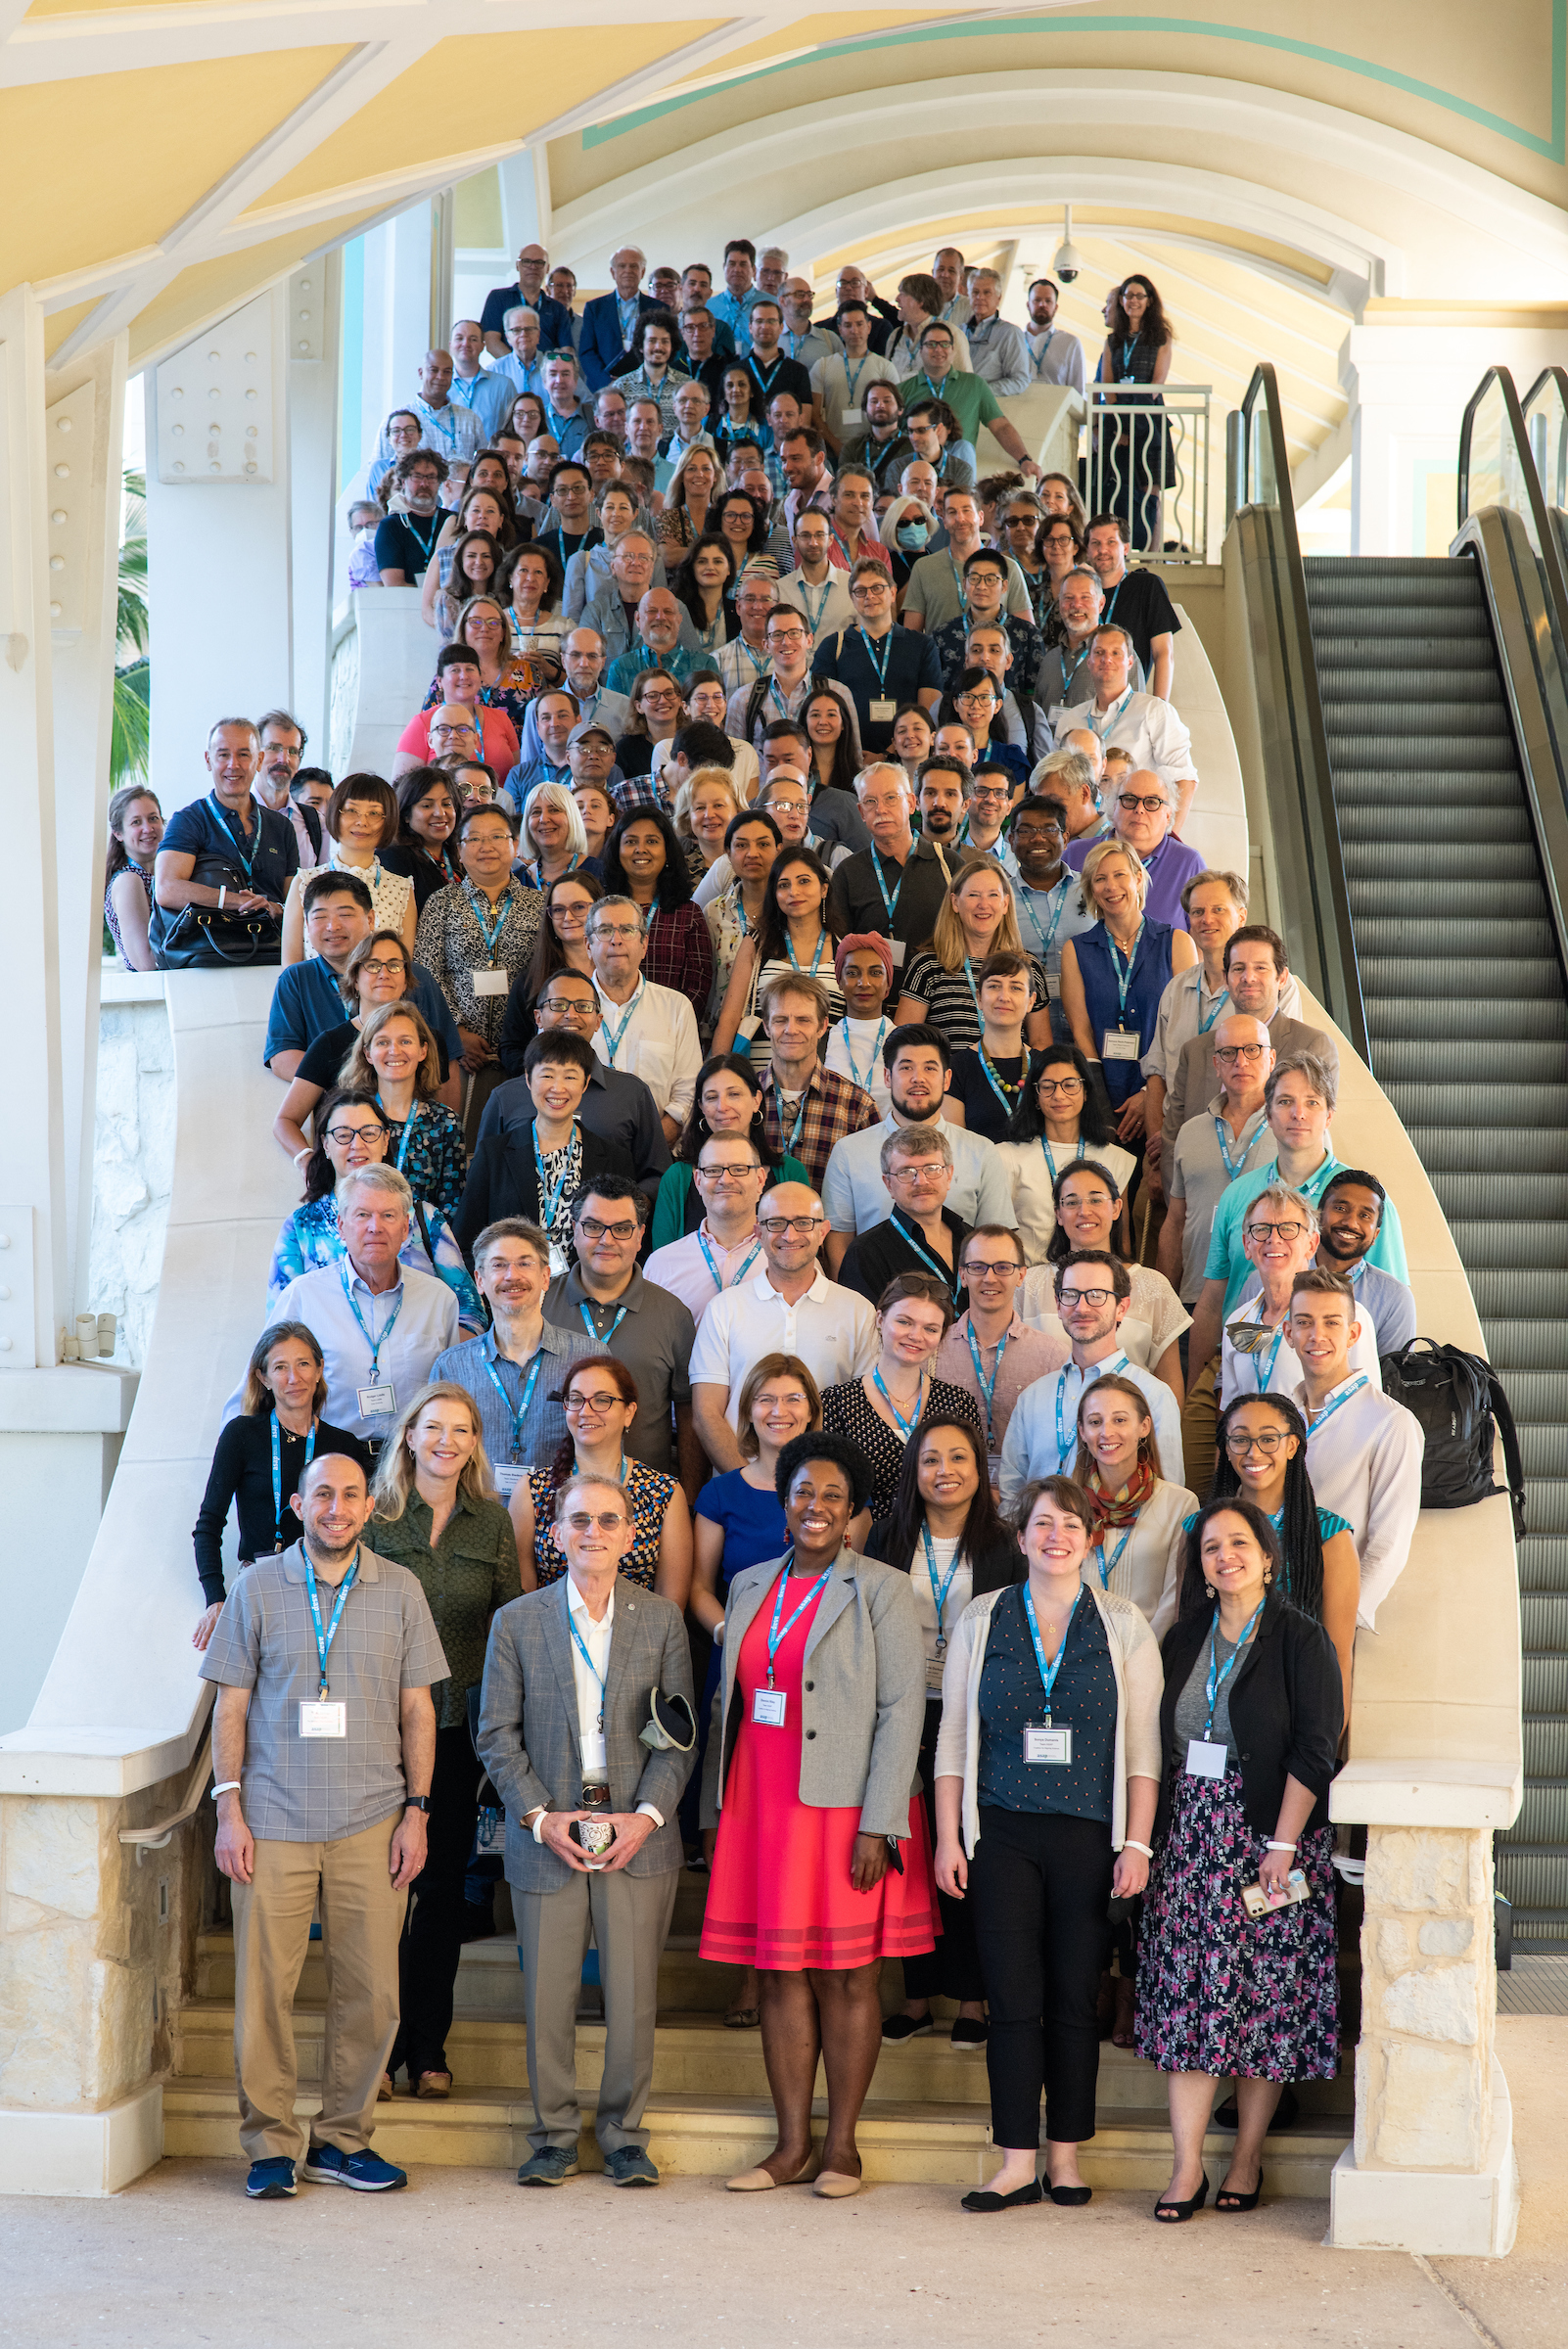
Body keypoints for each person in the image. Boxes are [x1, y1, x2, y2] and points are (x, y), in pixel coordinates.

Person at [200, 1450, 446, 2198]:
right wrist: (228, 1809)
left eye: (350, 1495)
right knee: (263, 1993)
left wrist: (417, 1813)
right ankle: (270, 2146)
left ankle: (342, 2141)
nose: (337, 1508)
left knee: (372, 1992)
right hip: (271, 1820)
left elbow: (418, 1711)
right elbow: (230, 1708)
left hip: (372, 1821)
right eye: (323, 1495)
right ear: (298, 1506)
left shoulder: (401, 1590)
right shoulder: (256, 1588)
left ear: (370, 1507)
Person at [701, 1432, 932, 2195]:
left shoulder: (882, 1589)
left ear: (855, 1509)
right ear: (783, 1500)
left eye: (834, 1495)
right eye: (804, 1492)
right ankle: (790, 2146)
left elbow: (902, 1712)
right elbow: (733, 1703)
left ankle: (841, 2148)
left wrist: (880, 1823)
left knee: (848, 1978)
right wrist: (715, 1807)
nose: (817, 1506)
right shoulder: (748, 1584)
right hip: (761, 1806)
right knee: (776, 1977)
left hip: (844, 1809)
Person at [931, 1472, 1162, 2210]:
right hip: (1000, 1834)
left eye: (1070, 1524)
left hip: (1090, 1839)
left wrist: (1138, 1845)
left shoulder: (1123, 1623)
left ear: (1091, 1540)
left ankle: (1065, 2158)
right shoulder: (983, 1617)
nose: (1056, 1536)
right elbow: (952, 1739)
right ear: (1021, 1536)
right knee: (1011, 1999)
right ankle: (1014, 2162)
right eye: (1042, 1524)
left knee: (1072, 1999)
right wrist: (947, 1838)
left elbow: (1143, 1751)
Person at [476, 1467, 696, 2189]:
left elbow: (681, 1734)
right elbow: (496, 1735)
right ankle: (553, 2138)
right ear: (555, 1533)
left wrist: (646, 1817)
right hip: (549, 1831)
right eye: (579, 1519)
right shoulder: (518, 1621)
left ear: (630, 1536)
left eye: (607, 1520)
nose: (592, 1532)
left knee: (631, 1998)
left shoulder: (660, 1620)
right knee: (548, 1998)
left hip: (636, 1832)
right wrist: (541, 1818)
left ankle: (625, 2137)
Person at [1136, 1497, 1342, 2220]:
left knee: (1264, 2007)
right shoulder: (1183, 1637)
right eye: (1211, 1547)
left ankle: (1247, 2158)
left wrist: (1282, 1844)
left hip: (1269, 1844)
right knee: (1189, 2004)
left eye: (1239, 1543)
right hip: (1190, 1844)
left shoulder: (1300, 1638)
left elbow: (1316, 1747)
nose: (1225, 1556)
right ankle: (1186, 2168)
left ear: (1267, 1557)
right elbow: (1157, 1739)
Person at [368, 1384, 520, 2097]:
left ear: (474, 1443)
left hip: (457, 1733)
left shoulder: (491, 1524)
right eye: (433, 1427)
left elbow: (509, 1626)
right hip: (375, 1734)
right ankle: (377, 2049)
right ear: (409, 1435)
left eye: (461, 1430)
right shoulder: (374, 1517)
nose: (446, 1441)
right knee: (376, 1896)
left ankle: (427, 2048)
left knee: (436, 1893)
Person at [865, 1416, 1020, 2049]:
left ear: (980, 1470)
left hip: (974, 1716)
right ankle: (917, 1996)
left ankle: (972, 1999)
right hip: (900, 1713)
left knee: (967, 1852)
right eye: (931, 1459)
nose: (945, 1470)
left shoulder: (1004, 1544)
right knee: (910, 1854)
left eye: (959, 1457)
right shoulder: (886, 1536)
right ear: (913, 1470)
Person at [1189, 1053, 1410, 1370]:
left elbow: (1388, 1298)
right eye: (1285, 1102)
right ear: (1267, 1114)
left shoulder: (1363, 1204)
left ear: (1329, 1115)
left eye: (1312, 1102)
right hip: (1243, 1366)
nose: (1298, 1114)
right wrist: (1198, 1385)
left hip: (1333, 1374)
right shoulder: (1237, 1194)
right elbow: (1212, 1302)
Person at [192, 1323, 370, 1649]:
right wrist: (215, 1598)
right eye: (280, 1367)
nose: (293, 1378)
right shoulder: (242, 1435)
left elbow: (360, 1529)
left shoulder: (344, 1445)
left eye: (303, 1364)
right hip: (260, 1587)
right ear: (263, 1378)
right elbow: (208, 1524)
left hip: (329, 1590)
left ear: (319, 1369)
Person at [267, 1165, 460, 1447]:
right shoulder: (303, 1297)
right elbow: (264, 1384)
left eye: (388, 1215)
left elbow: (454, 1394)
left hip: (412, 1458)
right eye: (362, 1215)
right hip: (330, 1458)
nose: (375, 1227)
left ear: (405, 1228)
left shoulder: (439, 1300)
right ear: (341, 1226)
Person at [690, 1184, 878, 1467]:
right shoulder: (723, 1308)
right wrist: (747, 1483)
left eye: (803, 1223)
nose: (790, 1235)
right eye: (776, 1223)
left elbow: (865, 1414)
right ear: (759, 1232)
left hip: (827, 1483)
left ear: (823, 1232)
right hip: (740, 1478)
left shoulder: (859, 1311)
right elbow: (706, 1414)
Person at [267, 1088, 481, 1330]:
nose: (357, 1145)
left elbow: (470, 1313)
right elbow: (280, 1329)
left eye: (369, 1133)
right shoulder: (301, 1227)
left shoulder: (425, 1218)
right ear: (325, 1144)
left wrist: (435, 1352)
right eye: (343, 1135)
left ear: (385, 1140)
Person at [1201, 1394, 1360, 1706]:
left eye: (1268, 1439)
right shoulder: (1199, 1528)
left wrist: (1329, 1734)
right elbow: (1186, 1636)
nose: (1253, 1452)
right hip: (1209, 1703)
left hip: (1292, 1706)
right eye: (1240, 1440)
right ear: (1227, 1449)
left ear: (1292, 1446)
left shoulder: (1329, 1534)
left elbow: (1339, 1658)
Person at [1286, 1269, 1424, 1629]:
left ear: (1352, 1334)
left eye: (1331, 1322)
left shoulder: (1391, 1422)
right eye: (1304, 1322)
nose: (1317, 1335)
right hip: (1265, 1612)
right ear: (1288, 1333)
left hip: (1326, 1622)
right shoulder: (1280, 1415)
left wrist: (1339, 1623)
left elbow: (1389, 1542)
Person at [541, 1177, 701, 1489]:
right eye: (593, 1227)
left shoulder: (673, 1314)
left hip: (644, 1497)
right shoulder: (540, 1305)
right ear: (574, 1230)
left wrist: (691, 1497)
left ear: (640, 1236)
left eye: (622, 1229)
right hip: (552, 1494)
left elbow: (689, 1414)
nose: (607, 1240)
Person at [999, 1251, 1183, 1508]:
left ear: (1121, 1308)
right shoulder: (1034, 1396)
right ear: (1058, 1305)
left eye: (1097, 1295)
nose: (1082, 1307)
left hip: (1125, 1532)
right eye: (1070, 1295)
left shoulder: (1154, 1395)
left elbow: (1170, 1499)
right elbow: (1011, 1493)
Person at [821, 1023, 1016, 1265]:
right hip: (873, 1287)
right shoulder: (849, 1152)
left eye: (930, 1068)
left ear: (947, 1079)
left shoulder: (981, 1151)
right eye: (906, 1068)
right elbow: (838, 1243)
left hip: (960, 1286)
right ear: (887, 1077)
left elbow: (997, 1240)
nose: (918, 1078)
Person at [509, 1353, 692, 1605]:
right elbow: (521, 1602)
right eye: (576, 1400)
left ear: (629, 1412)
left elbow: (671, 1607)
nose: (586, 1411)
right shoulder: (532, 1490)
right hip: (550, 1628)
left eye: (602, 1400)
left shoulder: (664, 1493)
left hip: (639, 1629)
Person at [486, 967, 671, 1206]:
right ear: (538, 1017)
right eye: (558, 1005)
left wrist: (621, 1211)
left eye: (583, 1006)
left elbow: (657, 1175)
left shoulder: (632, 1093)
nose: (571, 1014)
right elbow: (486, 1178)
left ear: (598, 1021)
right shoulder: (505, 1097)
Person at [261, 872, 462, 1088]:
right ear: (307, 925)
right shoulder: (296, 979)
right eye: (320, 917)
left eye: (345, 915)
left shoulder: (413, 975)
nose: (333, 926)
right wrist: (355, 1088)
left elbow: (446, 1060)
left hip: (412, 1106)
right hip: (335, 1105)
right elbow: (282, 1058)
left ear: (370, 919)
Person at [415, 801, 543, 1132]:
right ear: (459, 851)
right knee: (458, 1141)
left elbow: (547, 974)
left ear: (514, 845)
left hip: (523, 1050)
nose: (486, 846)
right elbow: (426, 972)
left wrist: (522, 1038)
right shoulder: (441, 902)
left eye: (497, 836)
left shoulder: (540, 904)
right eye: (474, 838)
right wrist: (456, 1032)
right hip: (455, 1055)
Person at [454, 1031, 636, 1265]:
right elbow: (466, 1241)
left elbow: (625, 1241)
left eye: (570, 1077)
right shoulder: (494, 1154)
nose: (557, 1088)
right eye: (547, 1075)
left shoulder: (615, 1159)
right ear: (528, 1079)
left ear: (585, 1083)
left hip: (585, 1284)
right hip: (511, 1283)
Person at [1157, 924, 1335, 1163]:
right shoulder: (1195, 1051)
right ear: (1226, 980)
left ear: (1282, 978)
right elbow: (1172, 1142)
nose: (1248, 978)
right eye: (1239, 968)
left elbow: (1313, 1138)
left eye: (1260, 968)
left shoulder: (1313, 1046)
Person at [1061, 839, 1197, 1138]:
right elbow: (1081, 1032)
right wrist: (1100, 1102)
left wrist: (1151, 1091)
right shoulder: (1076, 951)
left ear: (1137, 878)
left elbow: (1186, 1028)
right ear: (1091, 889)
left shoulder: (1177, 943)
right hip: (1101, 1097)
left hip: (1166, 1093)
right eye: (1100, 879)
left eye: (1119, 875)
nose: (1111, 887)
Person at [820, 1272, 984, 1519]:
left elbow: (974, 1486)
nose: (916, 1336)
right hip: (865, 1539)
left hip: (943, 1537)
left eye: (930, 1328)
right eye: (905, 1322)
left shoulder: (958, 1403)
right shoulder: (836, 1404)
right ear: (880, 1319)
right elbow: (828, 1491)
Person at [1022, 1160, 1188, 1398]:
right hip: (1047, 1418)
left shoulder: (1153, 1285)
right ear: (1058, 1214)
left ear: (1116, 1208)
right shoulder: (1029, 1285)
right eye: (1072, 1202)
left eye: (1096, 1200)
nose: (1084, 1211)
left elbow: (1170, 1382)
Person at [1219, 1183, 1382, 1409]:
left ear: (1312, 1244)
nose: (1273, 1239)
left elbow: (1369, 1408)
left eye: (1288, 1228)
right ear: (1247, 1245)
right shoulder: (1237, 1321)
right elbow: (1229, 1410)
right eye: (1262, 1228)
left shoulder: (1348, 1316)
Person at [152, 717, 299, 964]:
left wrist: (275, 908)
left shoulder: (281, 827)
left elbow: (294, 899)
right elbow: (167, 889)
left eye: (243, 754)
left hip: (273, 960)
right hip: (209, 963)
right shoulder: (189, 820)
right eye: (223, 755)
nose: (233, 765)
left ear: (259, 760)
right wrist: (236, 901)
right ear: (208, 760)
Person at [932, 1226, 1066, 1481]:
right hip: (949, 1490)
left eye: (1003, 1267)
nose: (990, 1278)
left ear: (1021, 1275)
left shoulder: (1052, 1357)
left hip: (1025, 1495)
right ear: (963, 1275)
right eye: (978, 1267)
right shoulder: (933, 1351)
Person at [1240, 1169, 1415, 1359]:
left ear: (1376, 1235)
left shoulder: (1394, 1299)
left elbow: (1391, 1375)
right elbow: (1237, 1360)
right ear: (1319, 1217)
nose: (1351, 1223)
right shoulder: (1262, 1281)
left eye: (1365, 1215)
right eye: (1340, 1208)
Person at [1072, 1373, 1195, 1640]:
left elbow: (1174, 1599)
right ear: (1082, 1431)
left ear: (1144, 1426)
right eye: (1095, 1422)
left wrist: (1140, 1654)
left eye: (1120, 1420)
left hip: (1149, 1650)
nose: (1106, 1432)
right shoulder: (1066, 1506)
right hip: (1075, 1652)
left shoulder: (1180, 1504)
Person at [649, 1054, 809, 1247]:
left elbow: (805, 1250)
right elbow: (662, 1259)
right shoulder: (677, 1178)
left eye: (734, 1094)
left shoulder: (791, 1173)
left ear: (756, 1100)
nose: (722, 1107)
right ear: (701, 1107)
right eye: (711, 1097)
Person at [995, 1043, 1136, 1259]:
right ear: (1035, 1096)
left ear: (1086, 1091)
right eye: (1047, 1086)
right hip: (1030, 1276)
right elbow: (997, 1239)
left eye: (1070, 1085)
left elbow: (1120, 1245)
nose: (1059, 1095)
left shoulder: (1115, 1158)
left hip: (1098, 1277)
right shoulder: (1006, 1156)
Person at [894, 867, 1047, 1060]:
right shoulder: (928, 965)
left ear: (1005, 903)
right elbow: (904, 1043)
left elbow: (1041, 1042)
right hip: (948, 1077)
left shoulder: (1028, 966)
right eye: (973, 895)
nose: (983, 904)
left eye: (993, 895)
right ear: (955, 902)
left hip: (1012, 1077)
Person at [585, 893, 703, 1143]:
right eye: (605, 931)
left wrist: (649, 1146)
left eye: (627, 930)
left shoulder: (676, 1007)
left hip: (658, 1151)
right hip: (582, 1152)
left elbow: (688, 1093)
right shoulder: (565, 1008)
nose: (616, 940)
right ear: (588, 946)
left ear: (644, 944)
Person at [335, 1000, 467, 1220]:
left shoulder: (446, 1123)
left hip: (424, 1239)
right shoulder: (348, 1117)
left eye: (405, 1041)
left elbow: (452, 1206)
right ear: (368, 1053)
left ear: (423, 1050)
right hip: (359, 1234)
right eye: (383, 1042)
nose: (394, 1051)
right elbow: (335, 1192)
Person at [750, 974, 881, 1189]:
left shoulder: (857, 1106)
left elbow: (874, 1188)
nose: (791, 1030)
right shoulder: (742, 1097)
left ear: (822, 1026)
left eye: (803, 1020)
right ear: (766, 1026)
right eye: (780, 1020)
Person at [825, 761, 957, 959]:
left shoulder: (949, 864)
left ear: (911, 803)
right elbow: (840, 946)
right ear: (861, 812)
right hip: (872, 978)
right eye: (870, 801)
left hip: (937, 977)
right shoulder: (848, 873)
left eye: (890, 798)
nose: (881, 809)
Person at [279, 775, 415, 965]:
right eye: (351, 810)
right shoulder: (304, 882)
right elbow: (290, 969)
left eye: (374, 813)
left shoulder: (402, 889)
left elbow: (403, 968)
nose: (362, 822)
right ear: (335, 814)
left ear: (389, 821)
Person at [836, 1124, 972, 1311]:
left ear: (949, 1175)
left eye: (932, 1168)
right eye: (906, 1172)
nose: (921, 1181)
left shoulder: (972, 1239)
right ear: (888, 1184)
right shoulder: (864, 1254)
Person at [643, 1129, 772, 1322]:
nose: (725, 1180)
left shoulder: (789, 1260)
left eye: (739, 1169)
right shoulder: (661, 1265)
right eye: (713, 1170)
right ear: (698, 1181)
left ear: (760, 1180)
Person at [599, 807, 714, 1026]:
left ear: (667, 851)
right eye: (631, 841)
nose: (640, 849)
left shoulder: (688, 914)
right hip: (606, 1027)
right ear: (617, 850)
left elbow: (698, 987)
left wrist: (663, 1027)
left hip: (669, 1030)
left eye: (651, 841)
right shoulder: (600, 910)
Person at [1083, 514, 1180, 700]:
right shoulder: (1082, 593)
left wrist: (1160, 708)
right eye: (1095, 543)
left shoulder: (1147, 586)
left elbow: (1163, 653)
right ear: (1087, 550)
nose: (1102, 550)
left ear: (1126, 548)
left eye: (1111, 542)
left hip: (1130, 704)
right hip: (1085, 700)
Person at [823, 933, 897, 1118]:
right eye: (852, 973)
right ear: (839, 981)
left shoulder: (903, 1042)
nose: (864, 983)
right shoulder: (822, 1041)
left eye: (875, 973)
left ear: (888, 983)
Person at [381, 767, 463, 914]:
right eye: (427, 805)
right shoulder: (393, 859)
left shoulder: (461, 856)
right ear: (406, 815)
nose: (440, 813)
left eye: (447, 804)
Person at [105, 784, 164, 970]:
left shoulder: (161, 875)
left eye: (153, 818)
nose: (148, 828)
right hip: (157, 986)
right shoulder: (128, 881)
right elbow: (146, 964)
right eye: (136, 822)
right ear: (118, 833)